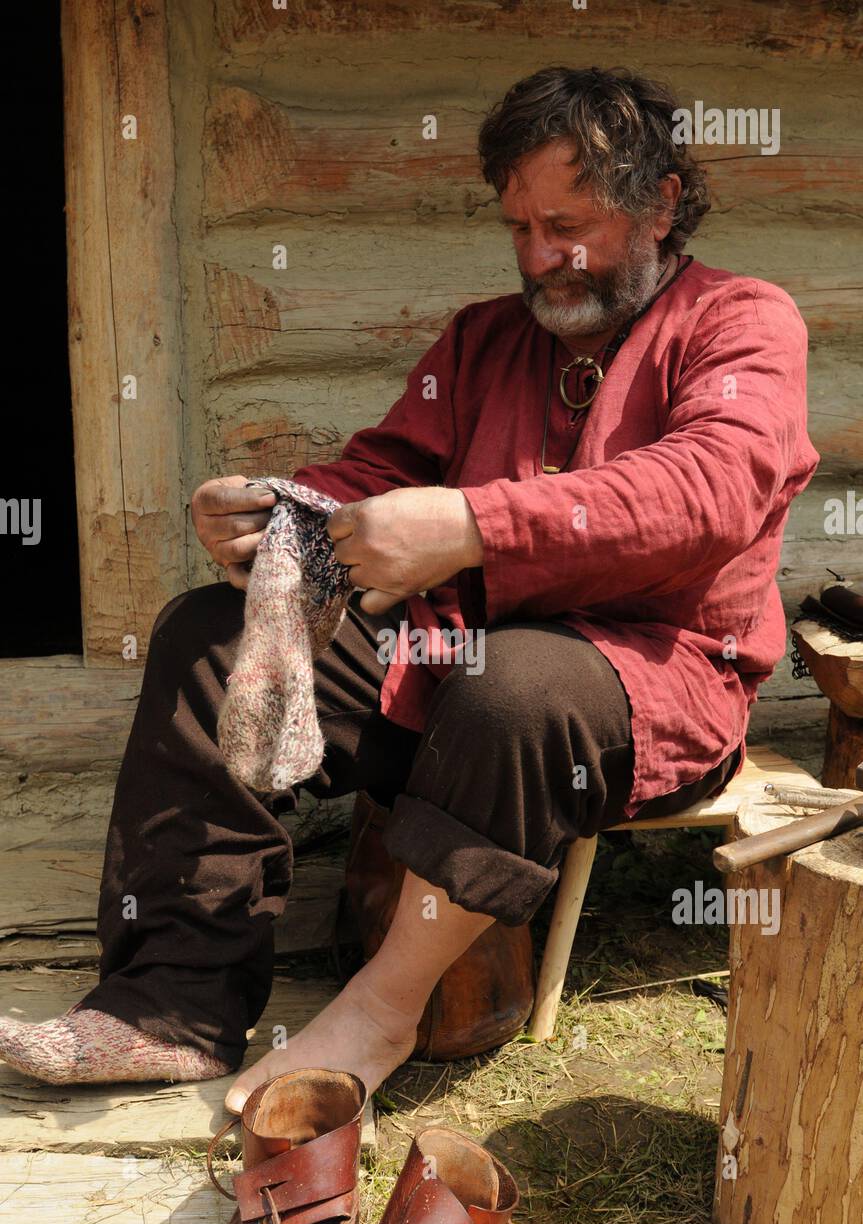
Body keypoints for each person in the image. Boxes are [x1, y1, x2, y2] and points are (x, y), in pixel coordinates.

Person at [0, 67, 817, 1113]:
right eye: (517, 226)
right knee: (210, 638)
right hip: (449, 660)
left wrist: (472, 525)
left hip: (648, 682)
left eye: (565, 223)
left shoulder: (741, 322)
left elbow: (707, 489)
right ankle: (171, 1008)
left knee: (515, 685)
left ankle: (378, 1011)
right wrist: (278, 511)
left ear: (659, 199)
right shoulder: (482, 340)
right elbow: (377, 476)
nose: (536, 257)